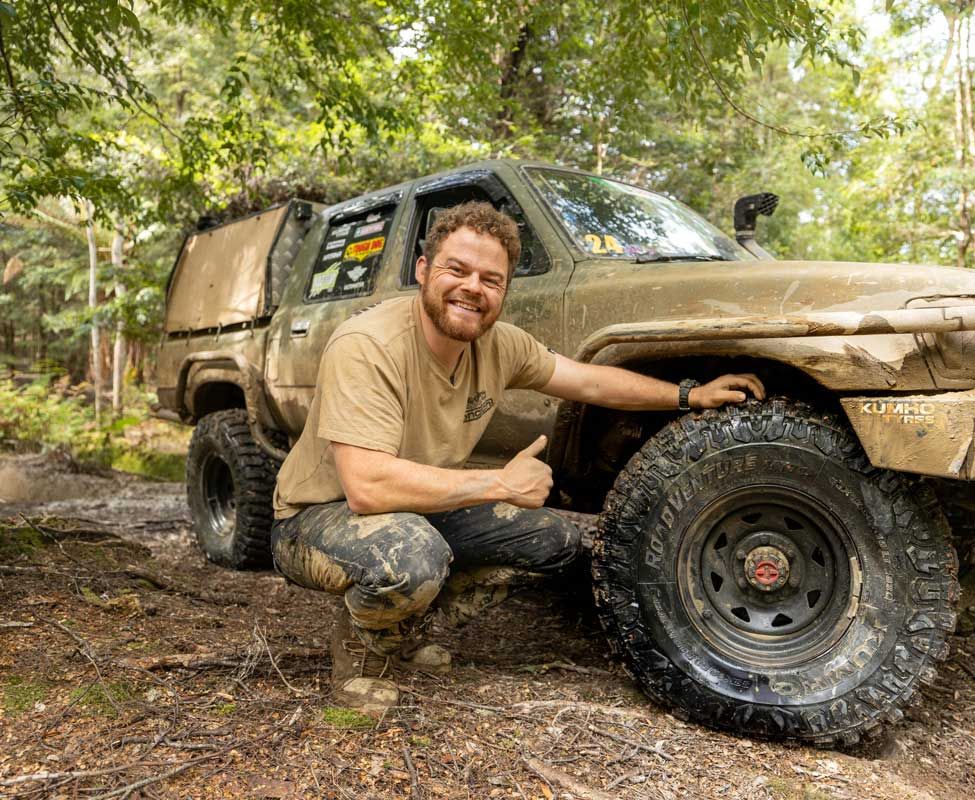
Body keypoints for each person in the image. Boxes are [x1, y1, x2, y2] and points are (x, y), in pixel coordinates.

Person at [271, 201, 764, 714]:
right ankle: (361, 653)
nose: (473, 288)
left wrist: (689, 394)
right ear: (423, 270)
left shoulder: (499, 345)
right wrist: (500, 484)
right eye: (456, 270)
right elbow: (367, 487)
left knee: (552, 541)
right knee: (412, 558)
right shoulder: (369, 345)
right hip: (316, 517)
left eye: (491, 279)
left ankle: (402, 628)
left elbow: (588, 381)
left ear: (504, 291)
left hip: (416, 506)